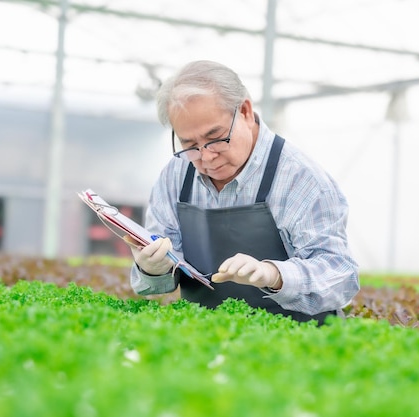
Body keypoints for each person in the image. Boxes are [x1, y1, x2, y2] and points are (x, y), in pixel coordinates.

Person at [127, 60, 359, 323]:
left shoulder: (301, 178)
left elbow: (340, 277)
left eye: (216, 138)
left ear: (246, 112)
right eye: (189, 144)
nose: (206, 156)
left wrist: (274, 274)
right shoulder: (176, 175)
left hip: (295, 346)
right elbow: (154, 285)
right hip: (206, 340)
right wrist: (153, 269)